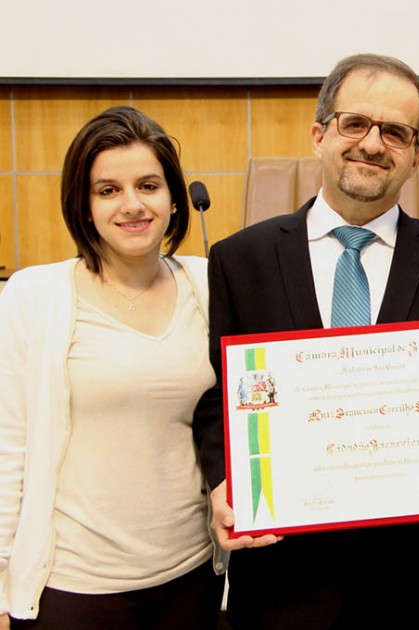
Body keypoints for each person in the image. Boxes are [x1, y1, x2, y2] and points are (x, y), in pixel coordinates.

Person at [191, 53, 419, 630]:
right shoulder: (240, 261)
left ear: (417, 156)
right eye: (354, 123)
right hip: (284, 579)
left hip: (418, 582)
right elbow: (216, 395)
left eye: (396, 132)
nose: (372, 143)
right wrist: (223, 480)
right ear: (319, 135)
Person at [0, 106, 225, 629]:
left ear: (173, 200)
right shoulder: (36, 296)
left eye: (148, 185)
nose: (132, 205)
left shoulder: (209, 284)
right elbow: (8, 443)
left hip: (190, 576)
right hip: (75, 587)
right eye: (108, 190)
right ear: (83, 205)